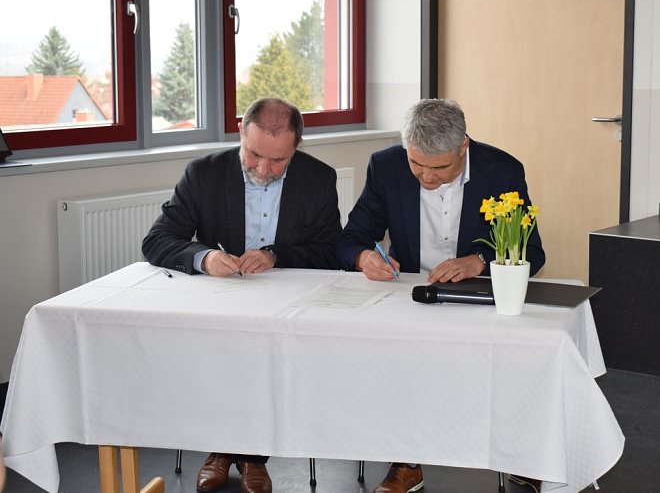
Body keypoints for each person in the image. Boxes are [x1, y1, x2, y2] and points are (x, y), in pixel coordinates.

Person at [337, 98, 546, 493]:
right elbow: (350, 240)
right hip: (414, 295)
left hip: (480, 296)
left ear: (463, 146)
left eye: (438, 168)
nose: (426, 178)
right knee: (395, 357)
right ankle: (406, 461)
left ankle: (521, 453)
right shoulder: (386, 166)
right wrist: (365, 257)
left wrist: (480, 261)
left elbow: (532, 254)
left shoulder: (501, 170)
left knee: (522, 354)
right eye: (417, 165)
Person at [142, 97, 342, 493]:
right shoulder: (204, 174)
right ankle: (218, 449)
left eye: (278, 161)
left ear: (297, 147)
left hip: (286, 303)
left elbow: (331, 250)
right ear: (240, 134)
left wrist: (276, 255)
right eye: (254, 155)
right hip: (222, 299)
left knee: (268, 354)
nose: (264, 170)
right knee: (219, 353)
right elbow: (157, 239)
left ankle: (253, 455)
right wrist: (204, 256)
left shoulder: (319, 178)